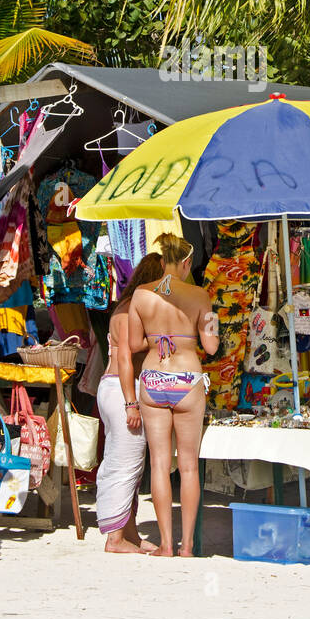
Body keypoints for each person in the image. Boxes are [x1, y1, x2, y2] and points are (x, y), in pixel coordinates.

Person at [126, 233, 219, 557]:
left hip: (153, 377)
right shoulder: (199, 295)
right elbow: (211, 346)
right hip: (187, 378)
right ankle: (187, 546)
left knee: (160, 463)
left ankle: (165, 544)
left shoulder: (140, 294)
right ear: (185, 262)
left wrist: (158, 337)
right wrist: (209, 321)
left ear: (161, 260)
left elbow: (134, 343)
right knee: (190, 466)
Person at [95, 253, 164, 553]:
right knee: (124, 464)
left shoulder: (130, 307)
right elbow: (125, 357)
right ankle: (114, 539)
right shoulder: (127, 312)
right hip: (121, 390)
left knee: (129, 465)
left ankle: (130, 533)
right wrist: (131, 403)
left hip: (117, 389)